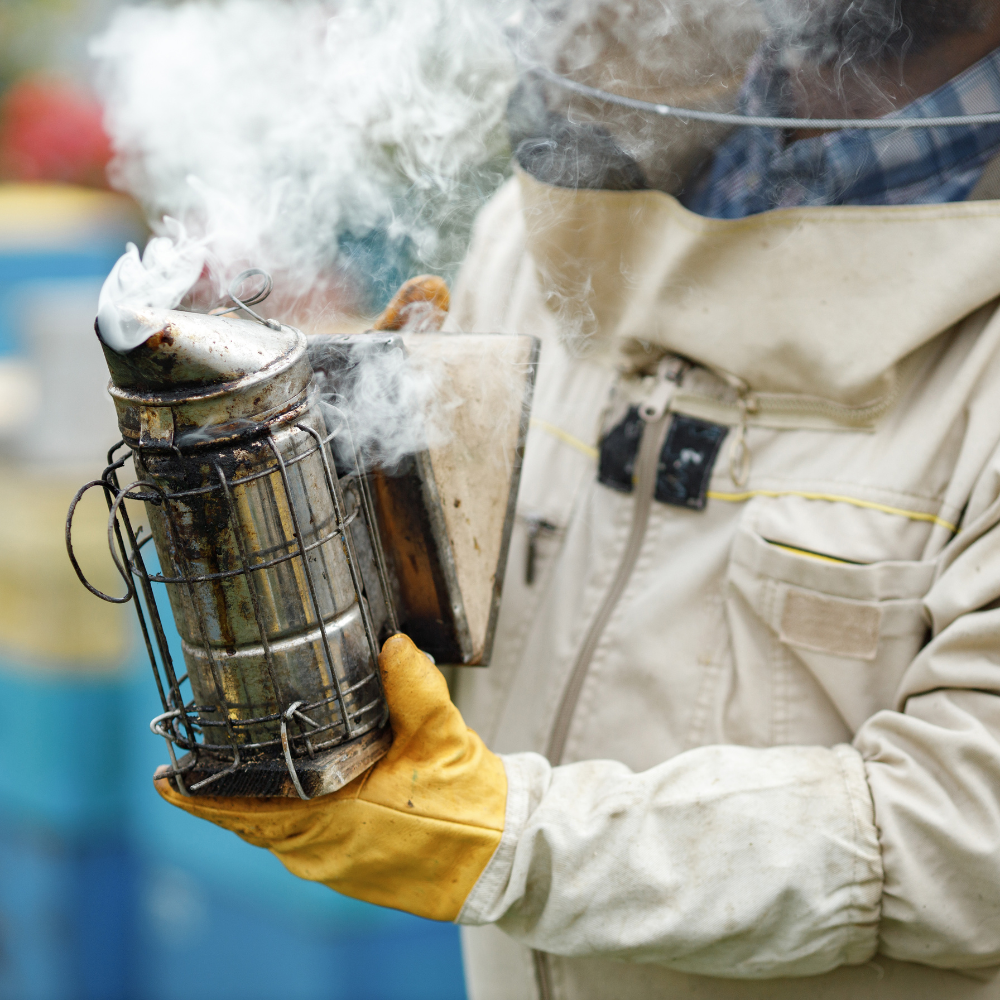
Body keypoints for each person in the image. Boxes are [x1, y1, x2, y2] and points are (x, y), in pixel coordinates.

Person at [158, 1, 1000, 997]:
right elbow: (469, 628)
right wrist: (346, 509)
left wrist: (505, 839)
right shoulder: (541, 229)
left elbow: (964, 838)